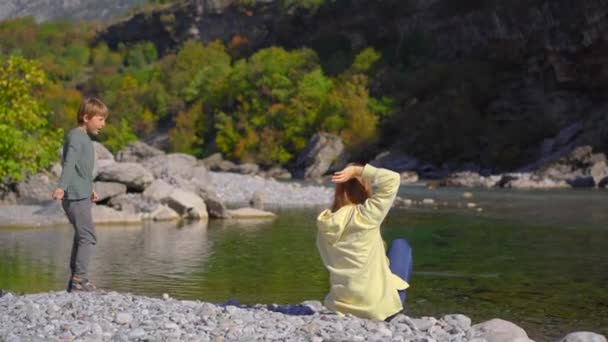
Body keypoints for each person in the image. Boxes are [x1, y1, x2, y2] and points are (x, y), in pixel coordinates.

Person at [316, 163, 413, 320]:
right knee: (401, 245)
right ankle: (394, 307)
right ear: (365, 187)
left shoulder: (325, 222)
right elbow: (393, 179)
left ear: (339, 189)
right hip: (375, 309)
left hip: (340, 307)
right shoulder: (366, 215)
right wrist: (357, 171)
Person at [52, 97, 107, 292]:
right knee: (88, 237)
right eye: (100, 119)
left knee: (82, 236)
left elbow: (81, 169)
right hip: (74, 195)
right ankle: (79, 281)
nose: (103, 124)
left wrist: (89, 188)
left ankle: (75, 281)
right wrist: (62, 186)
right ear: (86, 117)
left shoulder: (84, 138)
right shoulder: (76, 136)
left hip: (81, 193)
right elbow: (70, 162)